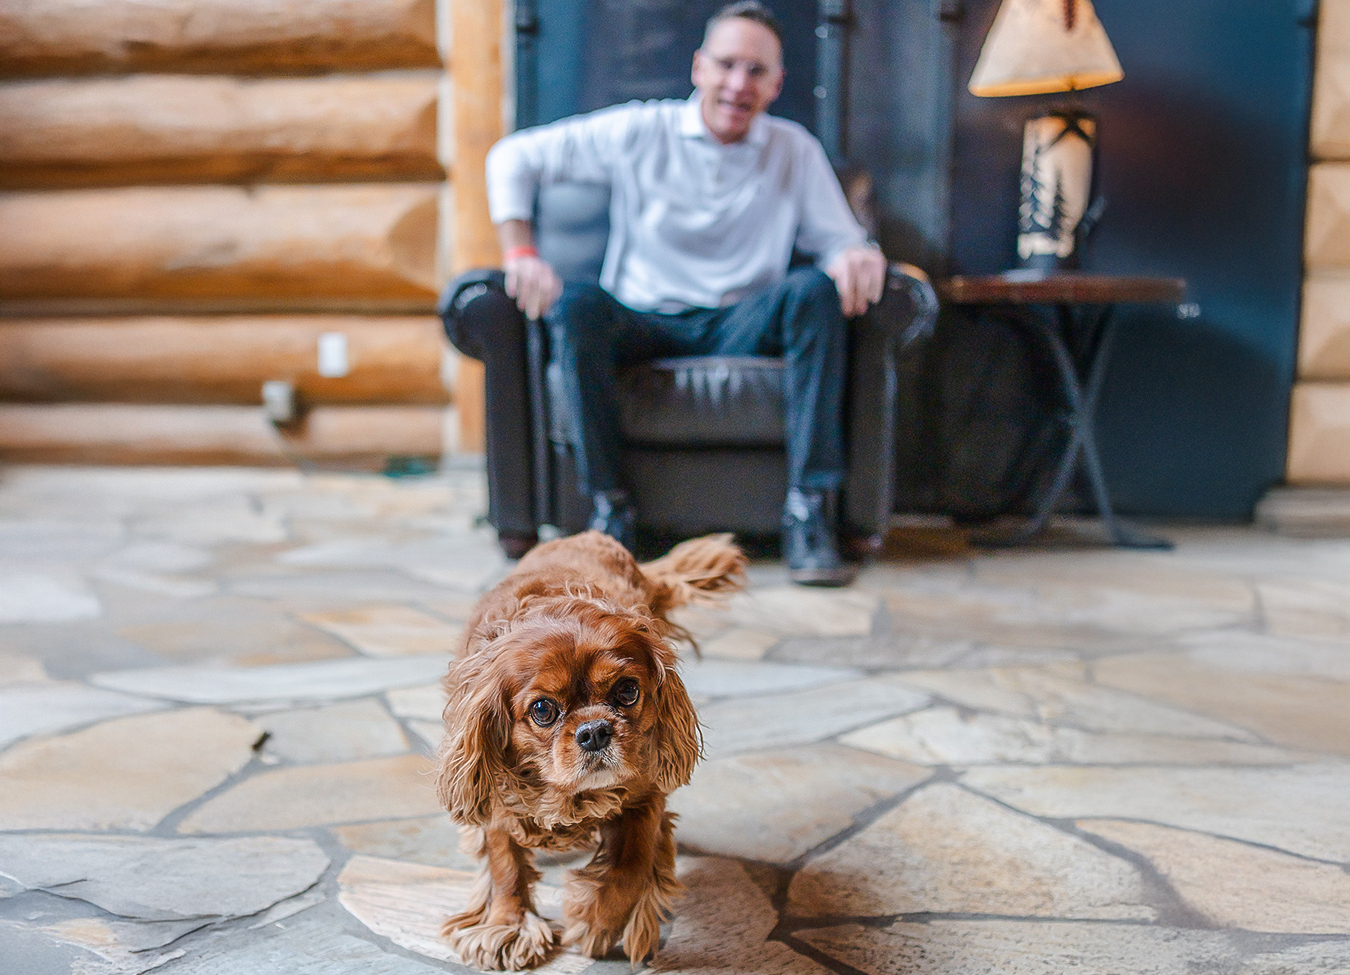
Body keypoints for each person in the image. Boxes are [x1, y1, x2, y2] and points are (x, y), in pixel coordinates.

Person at [484, 1, 887, 586]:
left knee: (816, 293)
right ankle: (609, 511)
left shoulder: (793, 149)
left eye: (756, 71)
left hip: (742, 322)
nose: (737, 84)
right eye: (726, 65)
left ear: (776, 83)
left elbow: (840, 240)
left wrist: (856, 252)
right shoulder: (641, 129)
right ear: (699, 67)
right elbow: (512, 156)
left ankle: (808, 511)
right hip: (643, 317)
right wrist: (521, 252)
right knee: (576, 306)